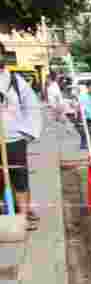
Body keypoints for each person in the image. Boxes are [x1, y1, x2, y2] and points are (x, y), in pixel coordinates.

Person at [0, 58, 43, 227]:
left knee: (19, 178)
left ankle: (23, 218)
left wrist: (28, 132)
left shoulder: (15, 80)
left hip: (14, 139)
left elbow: (31, 105)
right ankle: (8, 213)